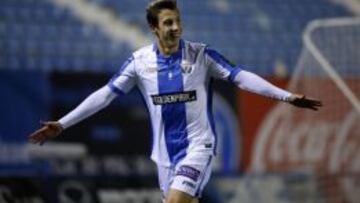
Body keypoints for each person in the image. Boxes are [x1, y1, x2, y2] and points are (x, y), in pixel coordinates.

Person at [29, 0, 322, 202]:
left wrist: (286, 96)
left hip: (199, 147)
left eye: (177, 22)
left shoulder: (201, 55)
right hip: (164, 156)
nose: (175, 28)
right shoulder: (139, 63)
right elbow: (105, 95)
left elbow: (240, 76)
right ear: (154, 28)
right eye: (168, 23)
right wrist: (63, 123)